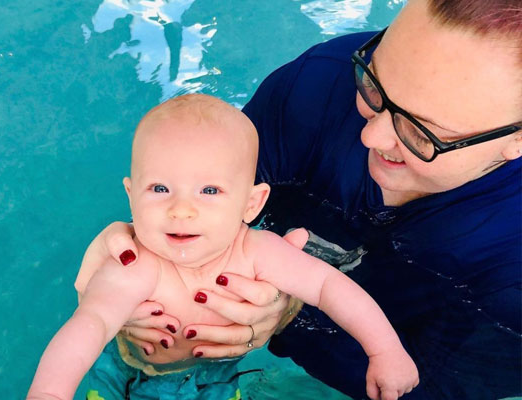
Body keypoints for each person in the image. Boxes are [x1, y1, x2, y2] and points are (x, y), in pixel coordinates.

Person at [85, 0, 522, 398]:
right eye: (373, 85)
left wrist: (292, 317)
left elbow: (432, 389)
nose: (370, 134)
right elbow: (204, 190)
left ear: (515, 141)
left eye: (421, 132)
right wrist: (138, 242)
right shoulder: (319, 84)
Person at [27, 94, 418, 400]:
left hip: (215, 376)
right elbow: (89, 325)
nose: (181, 209)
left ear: (251, 204)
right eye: (160, 189)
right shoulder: (137, 265)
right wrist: (49, 392)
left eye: (210, 190)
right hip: (128, 372)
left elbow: (329, 287)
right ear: (131, 197)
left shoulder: (258, 253)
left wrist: (385, 350)